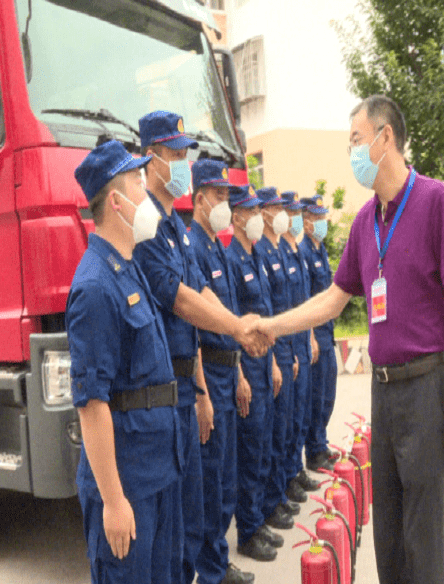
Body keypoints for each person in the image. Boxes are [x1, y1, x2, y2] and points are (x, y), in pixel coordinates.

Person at [252, 94, 444, 584]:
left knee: (423, 539)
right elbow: (332, 300)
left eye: (355, 139)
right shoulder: (366, 222)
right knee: (388, 537)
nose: (351, 151)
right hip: (384, 392)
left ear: (384, 138)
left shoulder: (435, 200)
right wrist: (272, 325)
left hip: (427, 389)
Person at [133, 110, 269, 584]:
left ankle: (207, 572)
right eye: (174, 155)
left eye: (184, 155)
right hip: (161, 389)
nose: (182, 165)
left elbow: (201, 297)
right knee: (177, 521)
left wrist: (236, 325)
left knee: (195, 507)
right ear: (151, 160)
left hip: (187, 385)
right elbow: (181, 301)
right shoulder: (146, 225)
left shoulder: (173, 227)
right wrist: (235, 329)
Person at [67, 140, 181, 584]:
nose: (147, 193)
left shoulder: (128, 265)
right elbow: (92, 404)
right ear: (116, 201)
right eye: (138, 182)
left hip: (157, 472)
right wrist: (113, 501)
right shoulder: (95, 286)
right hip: (127, 485)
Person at [188, 160, 255, 584]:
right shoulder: (194, 246)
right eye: (219, 196)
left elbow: (232, 319)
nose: (226, 205)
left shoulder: (217, 247)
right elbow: (193, 326)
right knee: (211, 482)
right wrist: (203, 394)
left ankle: (220, 561)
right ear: (198, 199)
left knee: (226, 477)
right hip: (209, 374)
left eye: (228, 197)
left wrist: (242, 374)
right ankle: (211, 572)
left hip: (230, 371)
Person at [224, 184, 284, 562]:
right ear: (237, 217)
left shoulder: (256, 255)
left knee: (262, 446)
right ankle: (247, 530)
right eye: (252, 211)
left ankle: (258, 518)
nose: (260, 217)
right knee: (249, 453)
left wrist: (274, 362)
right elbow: (233, 324)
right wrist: (240, 375)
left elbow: (265, 316)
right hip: (245, 367)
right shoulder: (231, 258)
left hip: (265, 364)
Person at [255, 187, 312, 520]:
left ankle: (286, 481)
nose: (282, 214)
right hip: (274, 350)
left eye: (283, 208)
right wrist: (277, 357)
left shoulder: (280, 250)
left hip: (296, 343)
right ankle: (270, 500)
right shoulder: (261, 251)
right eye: (275, 207)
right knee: (272, 434)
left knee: (293, 421)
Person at [278, 191, 321, 497]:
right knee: (282, 424)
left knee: (301, 414)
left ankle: (295, 470)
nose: (289, 216)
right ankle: (284, 482)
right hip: (282, 347)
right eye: (285, 211)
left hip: (301, 343)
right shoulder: (276, 251)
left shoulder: (292, 252)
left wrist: (310, 337)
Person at [299, 195, 339, 472]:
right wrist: (310, 335)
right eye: (317, 217)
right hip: (316, 332)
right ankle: (314, 451)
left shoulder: (320, 249)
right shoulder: (302, 250)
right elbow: (305, 300)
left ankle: (321, 443)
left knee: (328, 393)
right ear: (306, 220)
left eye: (324, 217)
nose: (322, 222)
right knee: (316, 396)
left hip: (329, 330)